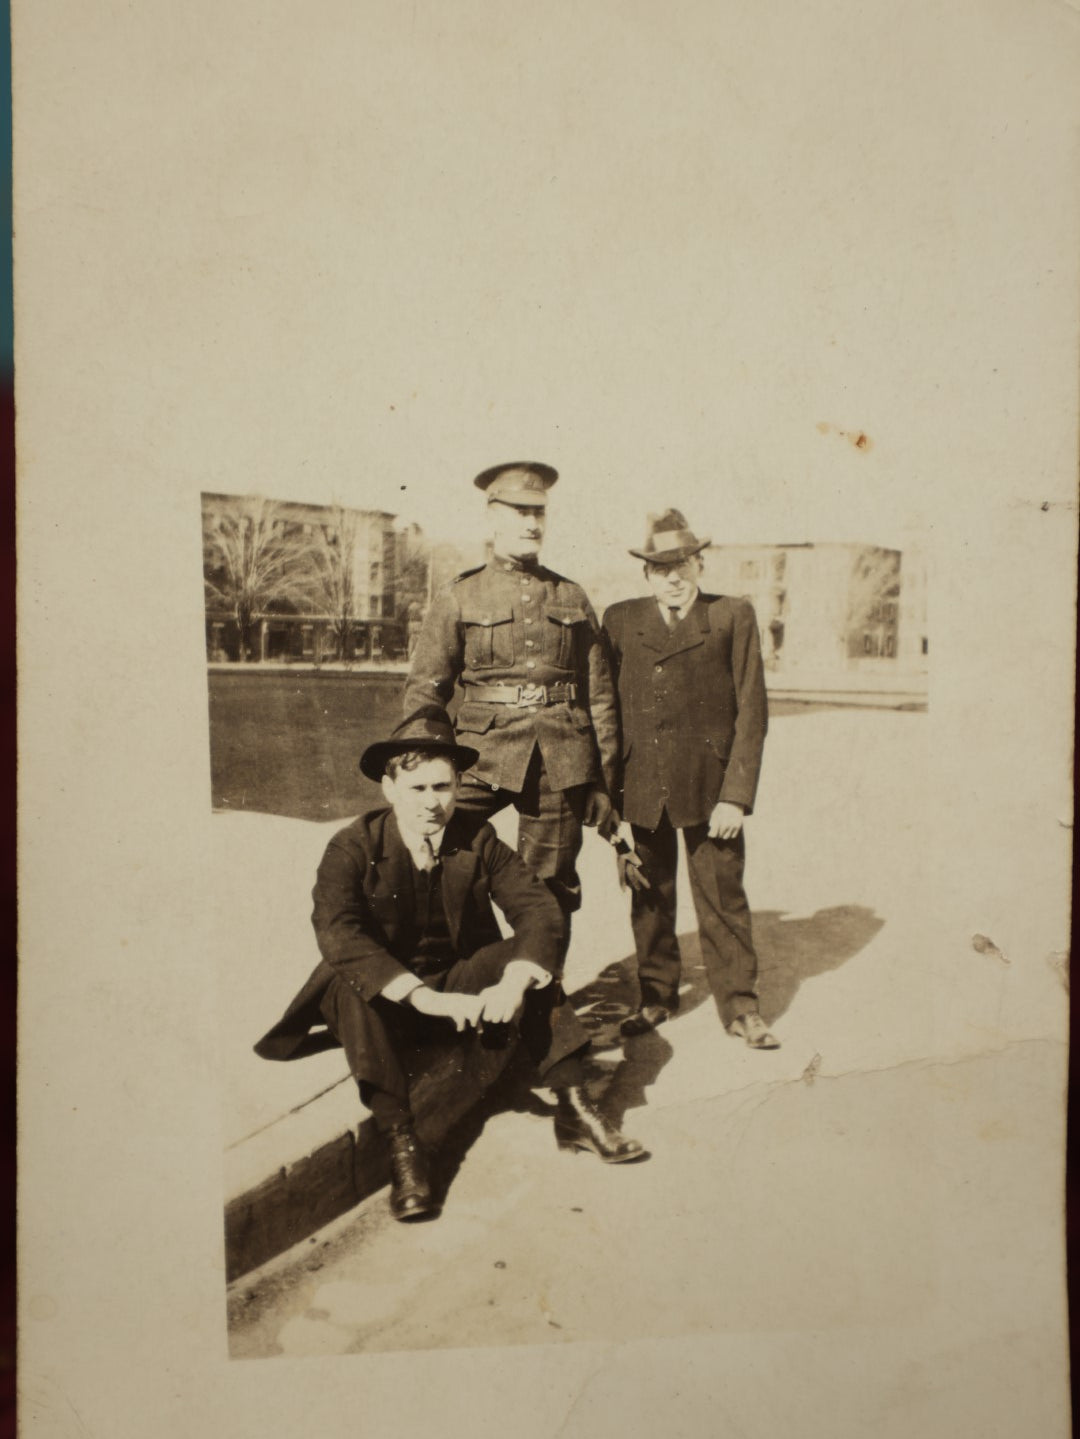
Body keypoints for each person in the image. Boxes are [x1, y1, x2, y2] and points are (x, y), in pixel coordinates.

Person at [255, 706, 644, 1224]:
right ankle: (404, 1145)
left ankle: (573, 1107)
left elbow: (536, 908)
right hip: (391, 1001)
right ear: (389, 790)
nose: (432, 804)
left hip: (459, 987)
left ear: (459, 786)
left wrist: (512, 981)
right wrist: (423, 997)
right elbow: (339, 933)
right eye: (417, 790)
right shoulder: (351, 847)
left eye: (443, 788)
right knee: (346, 982)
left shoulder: (477, 838)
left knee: (528, 961)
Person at [403, 461, 617, 937]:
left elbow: (599, 695)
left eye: (539, 513)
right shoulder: (460, 595)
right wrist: (424, 765)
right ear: (492, 516)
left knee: (551, 886)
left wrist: (603, 780)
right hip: (483, 753)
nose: (531, 523)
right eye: (519, 512)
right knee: (439, 850)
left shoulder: (572, 596)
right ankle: (474, 967)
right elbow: (426, 688)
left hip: (561, 759)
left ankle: (542, 998)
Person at [602, 509, 779, 1049]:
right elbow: (604, 708)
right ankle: (656, 997)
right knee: (649, 898)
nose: (673, 577)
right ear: (646, 574)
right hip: (642, 782)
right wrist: (609, 801)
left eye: (682, 564)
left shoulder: (731, 615)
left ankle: (741, 1007)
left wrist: (737, 797)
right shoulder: (620, 620)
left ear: (699, 564)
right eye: (660, 567)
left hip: (711, 787)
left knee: (722, 897)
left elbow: (753, 710)